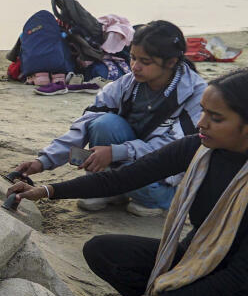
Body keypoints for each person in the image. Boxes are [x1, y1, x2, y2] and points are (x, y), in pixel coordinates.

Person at [8, 68, 248, 296]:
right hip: (198, 261)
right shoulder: (197, 149)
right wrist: (47, 190)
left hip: (241, 287)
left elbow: (240, 275)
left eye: (216, 118)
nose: (201, 123)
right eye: (203, 112)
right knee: (102, 251)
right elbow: (121, 179)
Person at [13, 20, 205, 217]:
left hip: (158, 175)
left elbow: (172, 149)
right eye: (132, 58)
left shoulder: (195, 94)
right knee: (103, 123)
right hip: (127, 163)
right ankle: (108, 190)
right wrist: (43, 161)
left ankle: (157, 199)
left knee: (144, 184)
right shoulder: (127, 84)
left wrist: (115, 153)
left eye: (145, 62)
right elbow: (84, 125)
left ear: (171, 62)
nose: (135, 67)